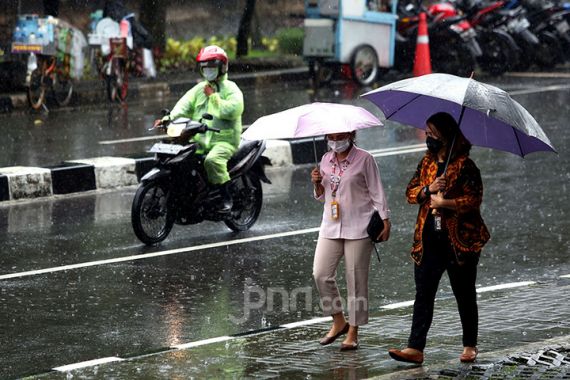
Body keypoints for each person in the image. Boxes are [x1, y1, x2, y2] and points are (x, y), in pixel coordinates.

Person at [388, 112, 490, 364]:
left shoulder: (466, 165)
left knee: (464, 293)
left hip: (459, 241)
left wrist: (447, 202)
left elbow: (474, 199)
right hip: (428, 239)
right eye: (427, 133)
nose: (428, 138)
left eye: (433, 134)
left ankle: (469, 344)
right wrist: (428, 190)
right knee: (423, 294)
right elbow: (410, 193)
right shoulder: (427, 163)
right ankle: (415, 347)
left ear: (445, 136)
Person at [311, 131, 391, 351]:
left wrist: (385, 219)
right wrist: (317, 183)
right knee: (321, 273)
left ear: (351, 134)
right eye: (331, 136)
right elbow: (322, 196)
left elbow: (377, 191)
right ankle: (339, 321)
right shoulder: (325, 159)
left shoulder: (365, 159)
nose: (335, 141)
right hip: (330, 225)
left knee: (355, 280)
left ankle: (354, 330)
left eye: (340, 136)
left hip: (359, 225)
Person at [155, 45, 244, 212]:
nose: (208, 71)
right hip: (200, 139)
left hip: (224, 140)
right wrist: (168, 119)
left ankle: (225, 198)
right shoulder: (199, 89)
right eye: (205, 67)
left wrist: (214, 97)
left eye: (212, 67)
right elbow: (183, 106)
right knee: (179, 156)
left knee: (212, 161)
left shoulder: (231, 89)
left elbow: (233, 110)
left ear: (222, 67)